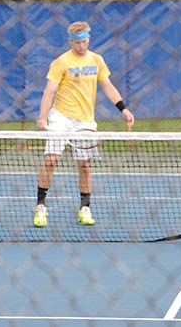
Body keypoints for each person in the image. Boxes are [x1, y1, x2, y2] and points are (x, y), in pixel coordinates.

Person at [33, 21, 135, 228]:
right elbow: (49, 91)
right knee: (50, 161)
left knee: (85, 167)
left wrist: (123, 109)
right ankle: (41, 207)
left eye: (85, 41)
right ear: (71, 41)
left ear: (89, 38)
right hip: (60, 117)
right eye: (78, 42)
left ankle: (85, 208)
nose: (82, 46)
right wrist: (43, 117)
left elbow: (107, 85)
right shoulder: (60, 63)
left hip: (85, 121)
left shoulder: (97, 60)